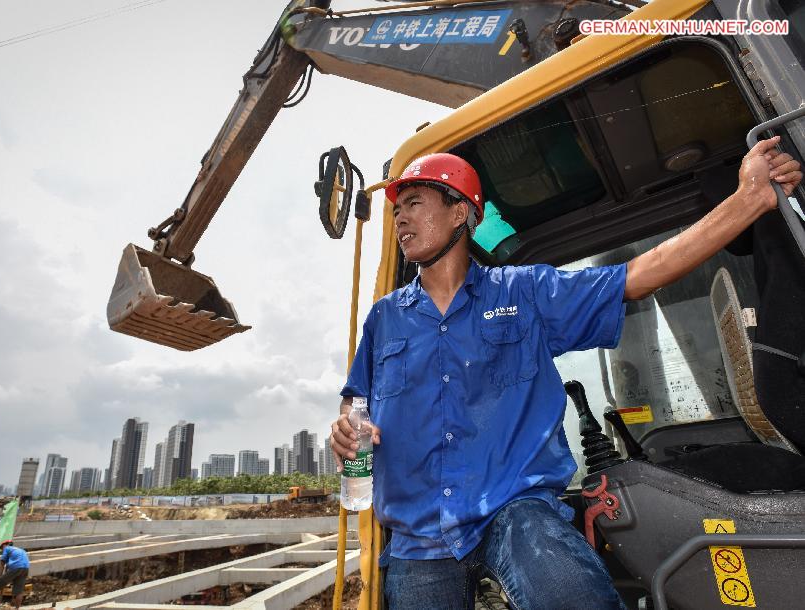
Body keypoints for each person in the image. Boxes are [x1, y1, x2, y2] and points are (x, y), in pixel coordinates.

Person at [330, 139, 802, 609]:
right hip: (418, 533)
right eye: (396, 211)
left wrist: (748, 200)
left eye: (414, 203)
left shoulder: (525, 292)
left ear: (460, 213)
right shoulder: (384, 319)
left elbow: (638, 275)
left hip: (514, 510)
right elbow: (357, 406)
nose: (400, 219)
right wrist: (347, 432)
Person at [0, 540, 30, 609]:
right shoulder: (20, 550)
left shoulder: (7, 548)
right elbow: (8, 566)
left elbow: (2, 562)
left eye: (1, 548)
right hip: (25, 568)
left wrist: (0, 577)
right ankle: (17, 608)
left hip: (16, 567)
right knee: (19, 591)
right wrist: (5, 578)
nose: (2, 550)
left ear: (4, 545)